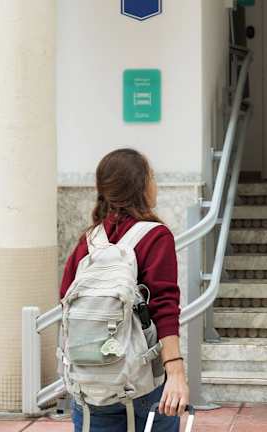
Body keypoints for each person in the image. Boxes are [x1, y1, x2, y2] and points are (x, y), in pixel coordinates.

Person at [60, 148, 189, 431]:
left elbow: (65, 299)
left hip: (91, 385)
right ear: (141, 186)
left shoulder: (89, 241)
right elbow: (164, 307)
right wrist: (176, 371)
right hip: (143, 382)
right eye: (152, 176)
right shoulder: (155, 236)